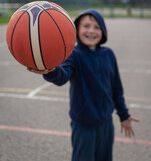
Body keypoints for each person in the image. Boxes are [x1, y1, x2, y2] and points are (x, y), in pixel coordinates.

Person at [28, 9, 139, 161]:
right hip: (83, 125)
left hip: (106, 122)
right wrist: (50, 70)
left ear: (103, 31)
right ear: (77, 29)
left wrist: (124, 114)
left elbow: (116, 89)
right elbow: (61, 77)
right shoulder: (74, 55)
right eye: (86, 26)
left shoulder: (109, 54)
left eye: (97, 27)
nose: (91, 31)